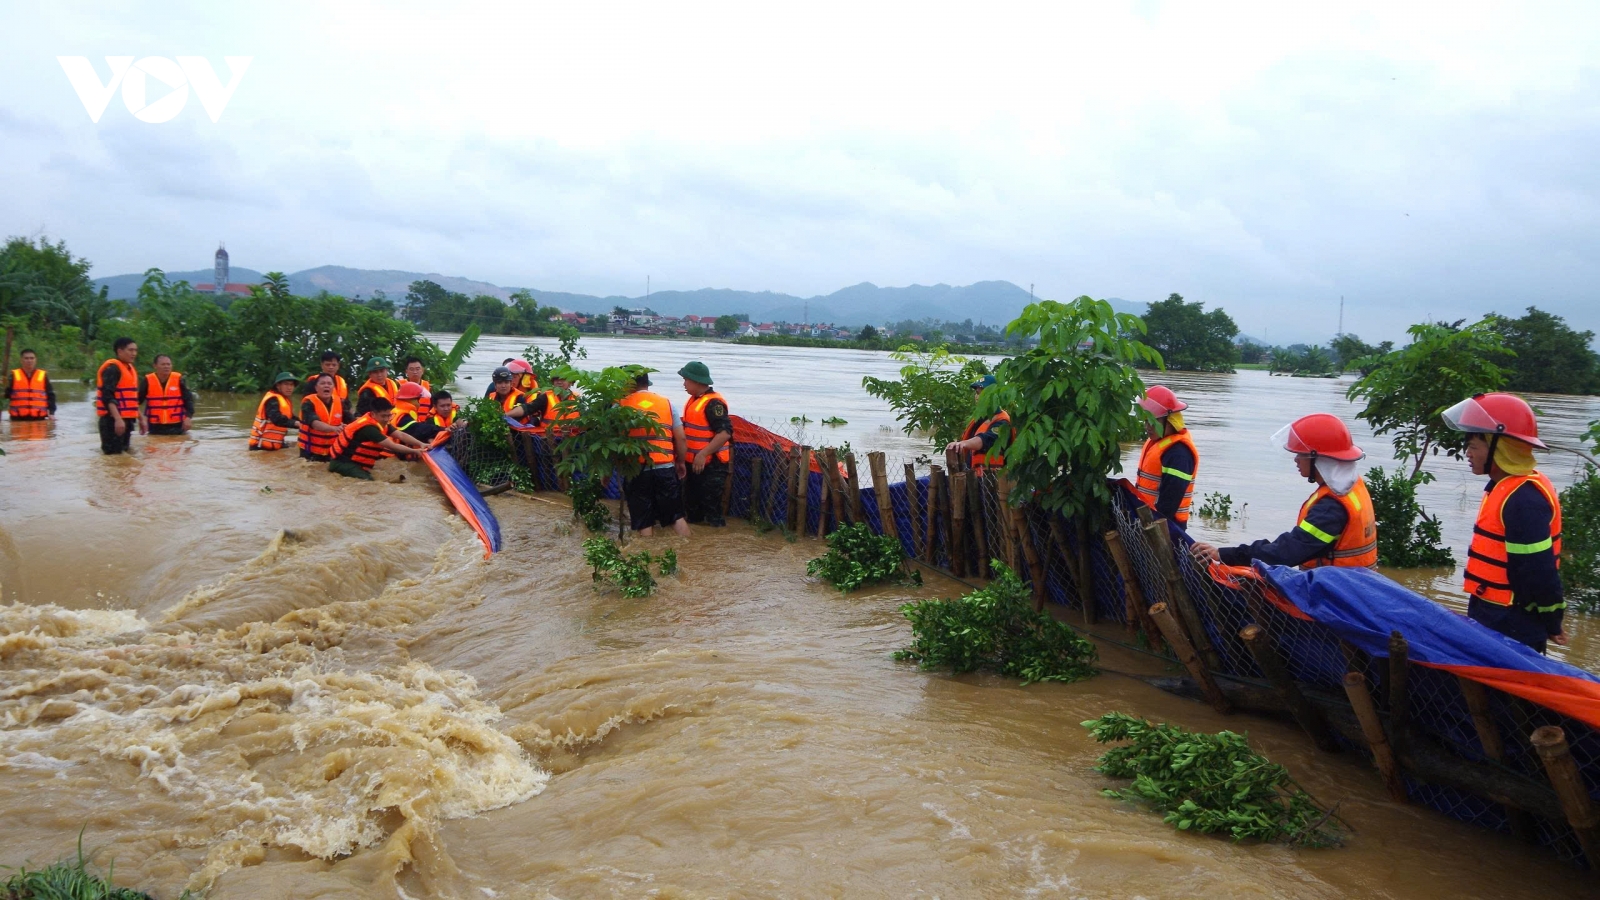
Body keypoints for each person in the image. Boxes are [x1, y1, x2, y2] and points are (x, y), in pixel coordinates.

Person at [1442, 392, 1567, 653]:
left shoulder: (1524, 500)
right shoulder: (1505, 487)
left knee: (1501, 692)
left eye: (1474, 446)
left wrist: (1552, 622)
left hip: (1511, 619)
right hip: (1494, 611)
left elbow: (1537, 572)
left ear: (1499, 450)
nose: (1467, 453)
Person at [1192, 413, 1377, 570]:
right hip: (1350, 589)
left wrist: (1223, 554)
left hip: (1332, 596)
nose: (1296, 459)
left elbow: (1286, 552)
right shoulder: (1350, 488)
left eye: (1300, 454)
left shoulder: (1331, 507)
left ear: (1317, 458)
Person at [619, 367, 690, 536]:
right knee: (675, 516)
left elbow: (612, 442)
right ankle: (691, 553)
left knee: (643, 520)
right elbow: (681, 438)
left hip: (636, 470)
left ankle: (646, 558)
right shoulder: (666, 403)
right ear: (646, 382)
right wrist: (680, 461)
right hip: (665, 467)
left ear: (628, 383)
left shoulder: (620, 405)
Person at [1132, 385, 1199, 527]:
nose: (1147, 426)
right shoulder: (1158, 443)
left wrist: (1150, 528)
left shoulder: (1179, 454)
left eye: (1152, 421)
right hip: (1148, 520)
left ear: (1170, 421)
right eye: (1145, 421)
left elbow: (1169, 501)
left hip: (1168, 527)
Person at [679, 360, 733, 526]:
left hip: (712, 465)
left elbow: (725, 433)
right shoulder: (694, 400)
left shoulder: (713, 404)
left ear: (696, 381)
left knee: (712, 511)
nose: (683, 384)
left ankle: (717, 544)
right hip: (694, 464)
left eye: (686, 380)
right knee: (692, 509)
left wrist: (703, 454)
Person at [326, 397, 430, 480]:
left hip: (355, 462)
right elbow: (392, 446)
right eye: (383, 416)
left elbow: (401, 435)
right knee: (369, 482)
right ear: (373, 414)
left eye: (389, 416)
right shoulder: (369, 428)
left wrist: (421, 444)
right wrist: (415, 451)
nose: (386, 419)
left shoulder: (381, 423)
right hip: (342, 463)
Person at [944, 375, 1011, 477]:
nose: (977, 397)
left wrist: (963, 444)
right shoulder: (979, 418)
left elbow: (985, 440)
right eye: (976, 393)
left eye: (981, 393)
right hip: (973, 477)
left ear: (994, 395)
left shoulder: (1002, 421)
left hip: (993, 481)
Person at [95, 337, 141, 455]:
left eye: (135, 350)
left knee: (123, 455)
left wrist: (141, 418)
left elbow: (131, 398)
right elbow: (107, 396)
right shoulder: (112, 369)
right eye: (130, 350)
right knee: (113, 456)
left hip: (127, 420)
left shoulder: (129, 369)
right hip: (112, 421)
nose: (134, 353)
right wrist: (118, 419)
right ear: (120, 351)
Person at [300, 373, 351, 462]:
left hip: (331, 451)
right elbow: (314, 423)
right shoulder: (308, 403)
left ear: (333, 387)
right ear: (316, 388)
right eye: (323, 383)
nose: (326, 386)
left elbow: (352, 421)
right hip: (310, 452)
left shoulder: (340, 403)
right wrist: (334, 429)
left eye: (329, 383)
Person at [138, 354, 193, 435]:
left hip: (177, 425)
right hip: (155, 426)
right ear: (155, 366)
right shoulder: (148, 380)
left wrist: (188, 418)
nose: (166, 366)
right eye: (163, 364)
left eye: (168, 364)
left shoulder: (179, 379)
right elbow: (136, 402)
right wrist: (141, 419)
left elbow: (189, 401)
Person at [248, 373, 300, 451]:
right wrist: (298, 424)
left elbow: (290, 417)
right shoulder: (272, 399)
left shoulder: (283, 399)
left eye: (292, 385)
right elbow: (277, 419)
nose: (289, 388)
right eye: (286, 384)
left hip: (273, 444)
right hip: (261, 447)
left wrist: (306, 423)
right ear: (278, 385)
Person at [5, 349, 55, 420]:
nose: (29, 361)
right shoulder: (13, 375)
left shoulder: (43, 375)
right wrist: (2, 386)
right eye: (26, 358)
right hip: (17, 418)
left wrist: (52, 413)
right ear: (21, 360)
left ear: (35, 360)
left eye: (32, 358)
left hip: (39, 418)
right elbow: (5, 395)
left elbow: (51, 395)